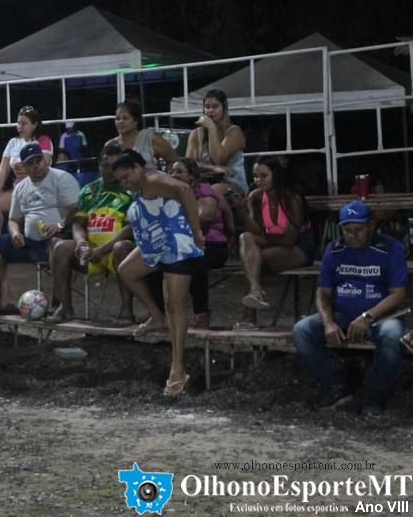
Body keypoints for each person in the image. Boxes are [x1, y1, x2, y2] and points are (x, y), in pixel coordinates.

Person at [293, 200, 406, 416]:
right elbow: (323, 293)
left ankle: (373, 395)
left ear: (371, 225)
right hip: (342, 314)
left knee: (391, 334)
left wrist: (367, 317)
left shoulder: (391, 248)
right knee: (302, 329)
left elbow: (398, 295)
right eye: (347, 230)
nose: (353, 236)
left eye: (358, 230)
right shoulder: (334, 249)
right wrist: (329, 323)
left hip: (380, 316)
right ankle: (334, 384)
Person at [112, 149, 204, 398]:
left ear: (138, 167)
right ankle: (156, 316)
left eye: (126, 176)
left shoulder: (152, 180)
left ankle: (178, 368)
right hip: (155, 246)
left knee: (174, 304)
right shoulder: (140, 185)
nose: (124, 183)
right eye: (120, 180)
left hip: (175, 245)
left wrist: (196, 231)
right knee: (126, 271)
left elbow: (184, 190)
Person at [0, 143, 80, 312]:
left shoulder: (62, 178)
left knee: (57, 244)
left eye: (39, 160)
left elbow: (76, 211)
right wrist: (15, 233)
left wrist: (60, 225)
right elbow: (13, 219)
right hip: (29, 242)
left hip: (58, 238)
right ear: (24, 167)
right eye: (31, 163)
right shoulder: (21, 187)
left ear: (45, 160)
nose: (36, 165)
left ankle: (58, 304)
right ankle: (5, 300)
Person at [48, 146, 134, 324]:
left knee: (122, 247)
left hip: (116, 253)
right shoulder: (89, 190)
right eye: (104, 165)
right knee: (61, 247)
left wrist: (102, 250)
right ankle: (65, 308)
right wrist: (81, 242)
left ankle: (126, 311)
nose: (108, 170)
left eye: (113, 166)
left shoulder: (130, 190)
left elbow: (130, 229)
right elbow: (78, 223)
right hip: (91, 252)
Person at [236, 155, 314, 329]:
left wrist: (263, 236)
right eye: (255, 176)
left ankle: (248, 318)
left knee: (251, 262)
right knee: (245, 238)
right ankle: (255, 289)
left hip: (298, 247)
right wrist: (241, 211)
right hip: (274, 243)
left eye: (264, 176)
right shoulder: (256, 197)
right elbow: (254, 230)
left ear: (276, 175)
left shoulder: (291, 198)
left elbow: (289, 239)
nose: (259, 180)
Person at [169, 158, 234, 328]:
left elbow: (206, 218)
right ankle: (160, 313)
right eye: (172, 171)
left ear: (192, 176)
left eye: (179, 171)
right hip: (185, 245)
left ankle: (201, 312)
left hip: (213, 245)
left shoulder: (203, 190)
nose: (173, 175)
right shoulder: (173, 195)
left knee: (192, 259)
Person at [0, 106, 54, 233]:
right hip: (18, 190)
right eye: (18, 123)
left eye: (24, 123)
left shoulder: (43, 140)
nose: (20, 127)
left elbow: (43, 168)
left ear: (35, 124)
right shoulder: (13, 142)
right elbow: (3, 169)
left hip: (39, 189)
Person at [185, 89, 248, 196]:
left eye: (215, 106)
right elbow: (189, 164)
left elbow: (218, 159)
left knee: (212, 191)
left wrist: (211, 128)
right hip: (204, 180)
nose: (210, 110)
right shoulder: (195, 134)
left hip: (232, 181)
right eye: (207, 107)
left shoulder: (234, 131)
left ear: (224, 108)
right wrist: (213, 168)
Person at [104, 98, 177, 170]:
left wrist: (163, 176)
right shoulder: (110, 145)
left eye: (125, 118)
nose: (120, 122)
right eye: (117, 119)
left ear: (136, 121)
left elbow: (174, 160)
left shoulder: (151, 138)